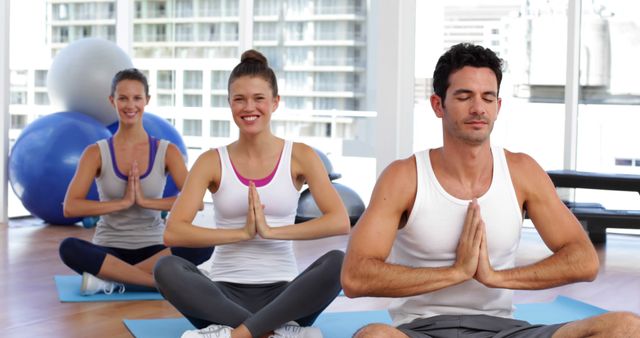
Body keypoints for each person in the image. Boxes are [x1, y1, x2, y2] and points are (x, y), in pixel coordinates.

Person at [340, 43, 640, 338]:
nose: (478, 108)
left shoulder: (522, 172)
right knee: (374, 335)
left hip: (504, 330)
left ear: (498, 106)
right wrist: (456, 272)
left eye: (488, 97)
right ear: (437, 105)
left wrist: (496, 277)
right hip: (421, 330)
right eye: (464, 96)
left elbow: (584, 261)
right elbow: (354, 277)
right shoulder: (404, 177)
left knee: (626, 326)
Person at [153, 49, 350, 338]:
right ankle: (278, 333)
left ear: (275, 102)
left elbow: (339, 221)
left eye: (259, 98)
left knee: (339, 262)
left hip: (286, 296)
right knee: (166, 268)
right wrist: (241, 233)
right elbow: (174, 233)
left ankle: (235, 334)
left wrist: (271, 231)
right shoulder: (211, 161)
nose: (249, 107)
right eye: (239, 99)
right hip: (222, 296)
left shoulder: (301, 156)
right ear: (229, 103)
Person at [59, 68, 214, 295]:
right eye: (123, 98)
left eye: (137, 98)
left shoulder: (166, 151)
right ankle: (158, 283)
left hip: (155, 249)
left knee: (204, 244)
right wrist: (121, 203)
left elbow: (197, 202)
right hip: (109, 248)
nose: (130, 105)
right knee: (69, 248)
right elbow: (71, 207)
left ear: (147, 100)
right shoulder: (96, 153)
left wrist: (146, 202)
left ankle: (110, 281)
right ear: (112, 101)